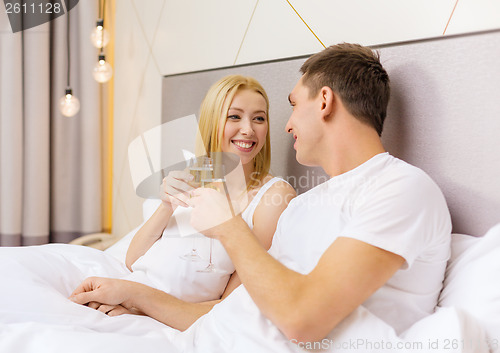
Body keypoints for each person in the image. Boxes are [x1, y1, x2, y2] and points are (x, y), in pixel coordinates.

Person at [70, 43, 451, 346]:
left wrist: (228, 228)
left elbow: (303, 320)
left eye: (291, 105)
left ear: (324, 101)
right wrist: (134, 298)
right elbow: (229, 314)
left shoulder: (400, 188)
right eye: (235, 117)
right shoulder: (303, 206)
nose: (286, 126)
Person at [74, 74, 296, 328]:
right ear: (212, 122)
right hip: (127, 298)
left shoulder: (272, 198)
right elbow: (132, 260)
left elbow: (228, 306)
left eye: (259, 118)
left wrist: (137, 305)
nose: (248, 129)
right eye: (234, 116)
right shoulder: (195, 178)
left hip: (158, 316)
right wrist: (166, 206)